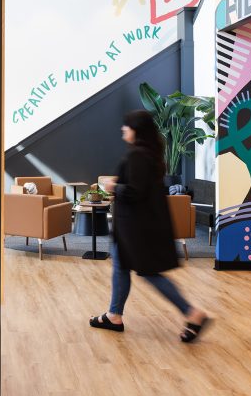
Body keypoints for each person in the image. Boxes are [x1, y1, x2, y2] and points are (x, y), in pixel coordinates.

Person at [89, 110, 210, 342]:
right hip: (136, 225)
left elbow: (135, 191)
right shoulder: (150, 155)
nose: (123, 130)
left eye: (127, 126)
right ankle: (114, 314)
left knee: (148, 272)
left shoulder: (137, 156)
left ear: (137, 130)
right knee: (121, 266)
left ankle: (192, 313)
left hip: (136, 228)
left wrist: (113, 187)